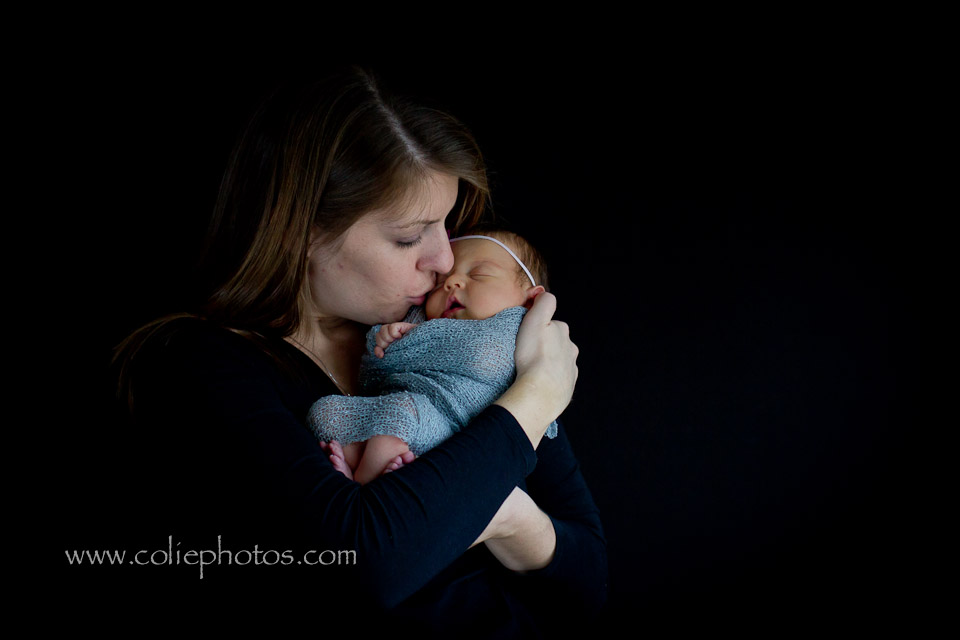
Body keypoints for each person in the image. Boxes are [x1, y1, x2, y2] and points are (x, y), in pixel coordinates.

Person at [113, 66, 606, 635]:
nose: (445, 260)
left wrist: (510, 516)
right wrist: (535, 398)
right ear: (300, 232)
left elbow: (586, 583)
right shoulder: (202, 368)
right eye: (407, 236)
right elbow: (365, 563)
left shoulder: (455, 335)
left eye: (444, 225)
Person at [309, 230, 559, 485]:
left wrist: (419, 339)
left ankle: (364, 489)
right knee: (324, 413)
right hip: (405, 413)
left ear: (529, 300)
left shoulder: (516, 332)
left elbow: (484, 357)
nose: (451, 283)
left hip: (452, 432)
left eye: (478, 275)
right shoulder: (417, 319)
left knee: (399, 416)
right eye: (440, 283)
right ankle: (362, 464)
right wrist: (388, 338)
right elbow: (376, 368)